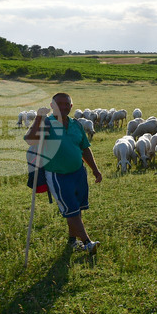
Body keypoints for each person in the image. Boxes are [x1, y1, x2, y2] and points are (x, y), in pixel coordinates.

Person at [24, 92, 104, 254]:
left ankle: (72, 241)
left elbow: (84, 148)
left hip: (78, 173)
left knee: (76, 209)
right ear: (52, 106)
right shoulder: (47, 123)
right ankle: (87, 243)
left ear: (71, 106)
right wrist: (39, 117)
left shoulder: (76, 124)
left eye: (66, 104)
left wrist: (95, 170)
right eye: (59, 104)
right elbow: (30, 139)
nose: (63, 107)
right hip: (57, 175)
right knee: (71, 209)